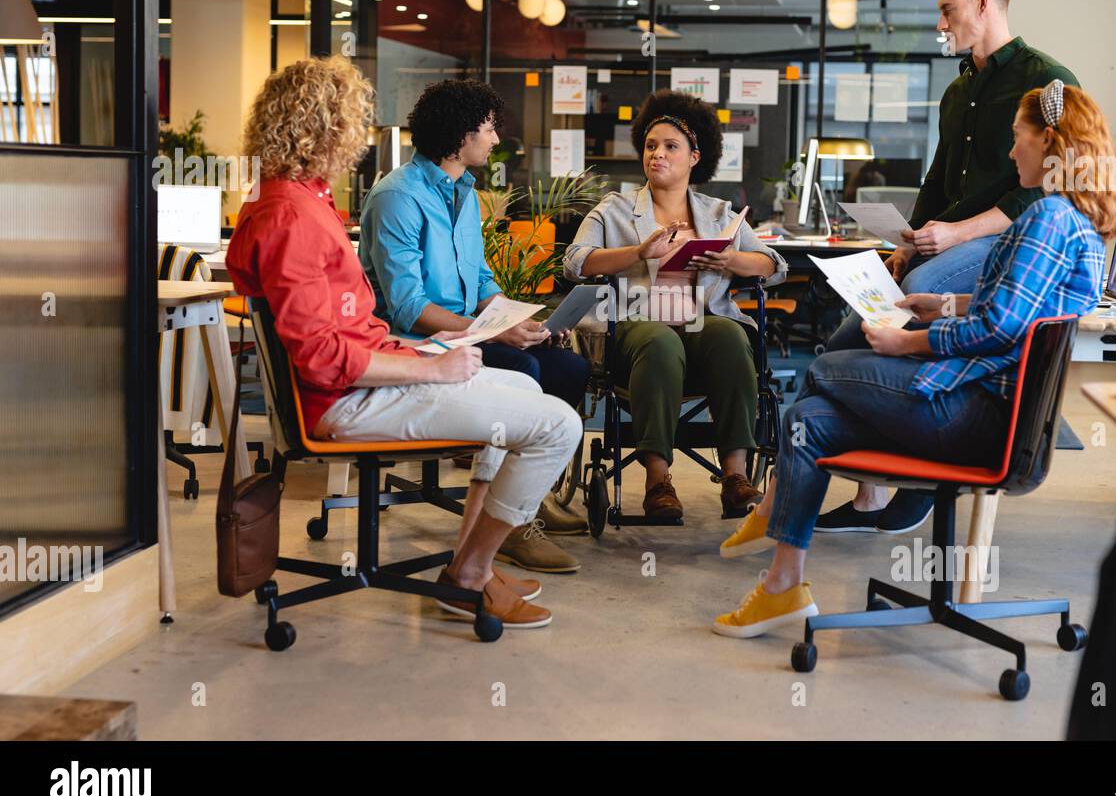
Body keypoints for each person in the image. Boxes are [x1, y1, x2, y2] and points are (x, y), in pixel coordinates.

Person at [712, 80, 1116, 638]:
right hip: (986, 412)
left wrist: (908, 341)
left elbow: (998, 325)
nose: (1010, 152)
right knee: (808, 422)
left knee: (824, 369)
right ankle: (782, 585)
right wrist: (944, 303)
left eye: (1017, 138)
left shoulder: (1049, 217)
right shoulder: (1072, 220)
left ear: (1048, 141)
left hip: (974, 413)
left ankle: (776, 510)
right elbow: (1014, 305)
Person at [226, 57, 582, 631]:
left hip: (368, 375)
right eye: (353, 121)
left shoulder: (296, 200)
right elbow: (322, 358)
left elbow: (341, 329)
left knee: (521, 381)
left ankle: (472, 565)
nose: (359, 138)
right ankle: (470, 574)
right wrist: (429, 370)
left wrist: (418, 353)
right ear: (327, 128)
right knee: (558, 425)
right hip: (346, 402)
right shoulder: (294, 217)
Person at [819, 0, 1080, 531]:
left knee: (920, 288)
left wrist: (959, 233)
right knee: (854, 326)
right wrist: (910, 239)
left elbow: (1049, 191)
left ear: (982, 2)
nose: (941, 24)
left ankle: (923, 482)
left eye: (947, 9)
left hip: (1010, 245)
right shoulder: (957, 92)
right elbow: (939, 179)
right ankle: (872, 492)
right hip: (946, 242)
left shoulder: (1046, 81)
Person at [359, 78, 589, 572]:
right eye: (488, 128)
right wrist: (494, 331)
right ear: (459, 134)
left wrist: (522, 320)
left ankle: (524, 496)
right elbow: (407, 307)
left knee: (567, 366)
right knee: (524, 368)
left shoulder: (465, 193)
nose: (495, 139)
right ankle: (509, 526)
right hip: (418, 344)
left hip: (467, 330)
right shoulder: (397, 197)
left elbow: (482, 281)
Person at [563, 89, 788, 518]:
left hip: (703, 325)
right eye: (651, 146)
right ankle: (658, 482)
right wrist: (637, 254)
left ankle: (735, 478)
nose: (657, 155)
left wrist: (731, 259)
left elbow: (773, 266)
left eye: (670, 147)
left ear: (694, 157)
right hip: (634, 327)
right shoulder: (614, 210)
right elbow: (575, 263)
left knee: (727, 335)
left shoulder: (720, 214)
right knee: (660, 341)